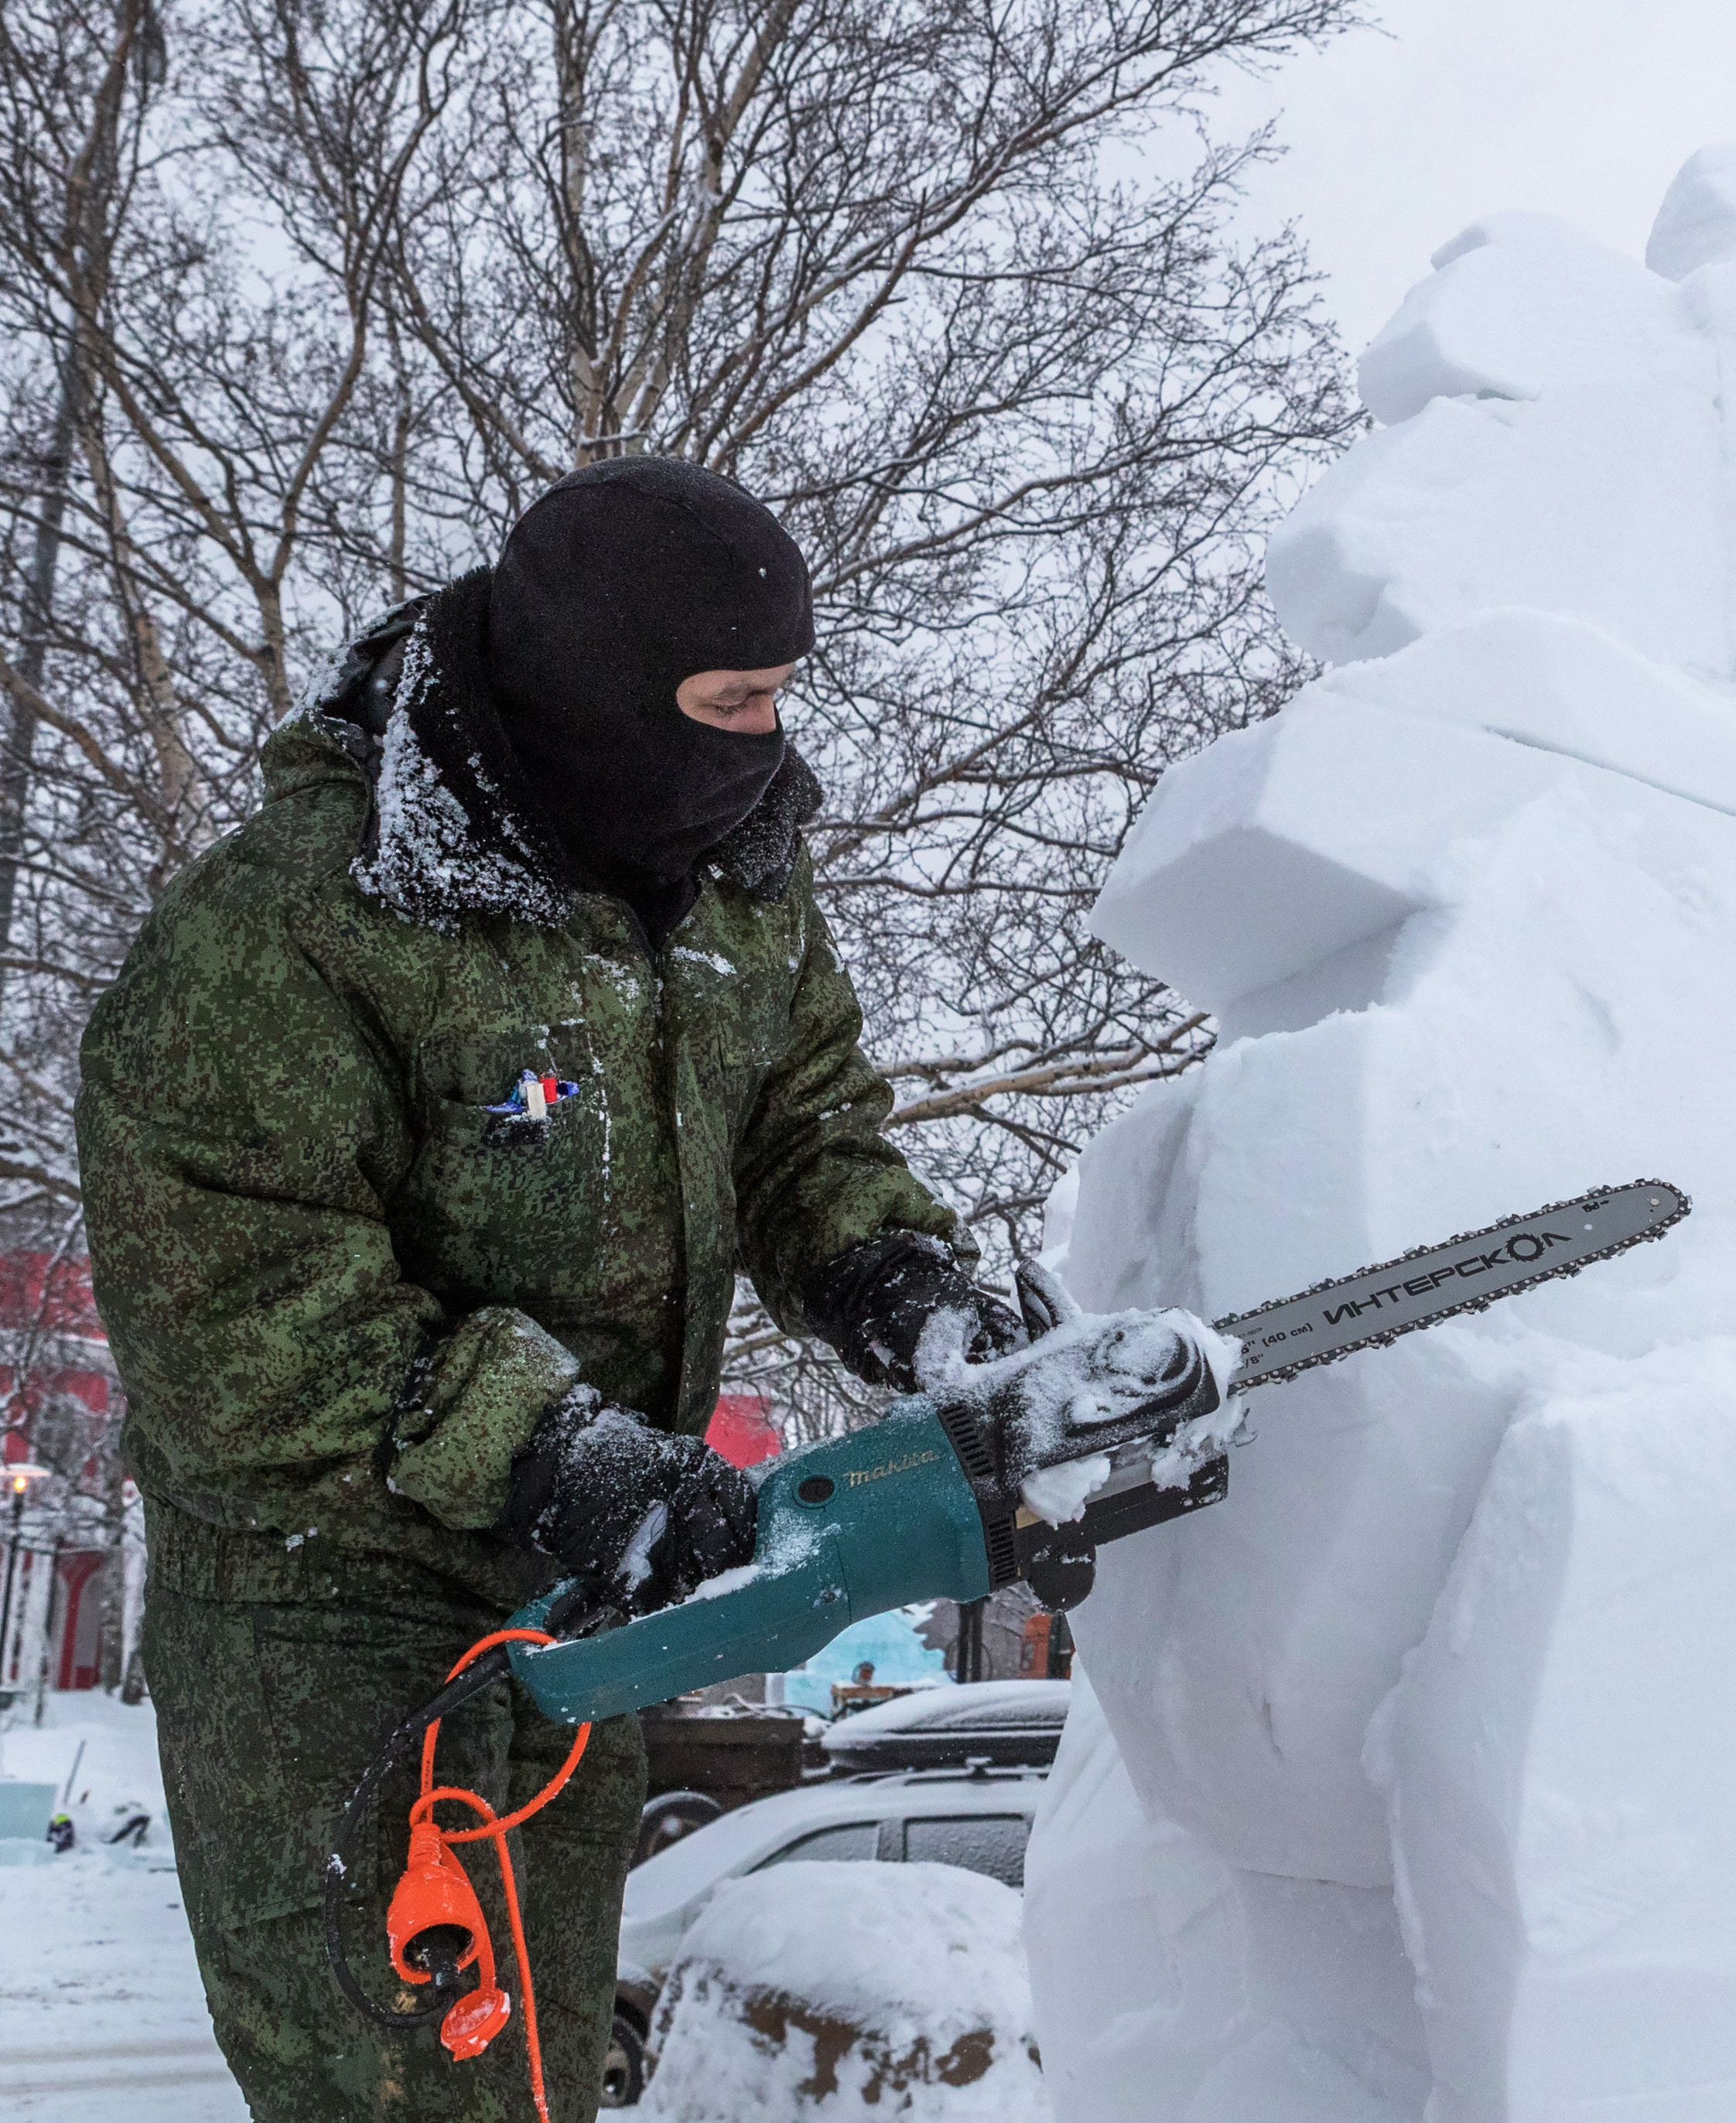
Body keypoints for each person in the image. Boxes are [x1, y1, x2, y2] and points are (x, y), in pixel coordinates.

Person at [77, 460, 1215, 2122]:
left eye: (779, 697)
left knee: (541, 2078)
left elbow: (802, 1128)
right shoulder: (298, 930)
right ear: (597, 695)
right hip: (338, 1627)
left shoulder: (736, 873)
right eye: (727, 699)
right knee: (402, 2094)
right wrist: (566, 1459)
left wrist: (913, 1296)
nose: (762, 741)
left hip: (575, 1610)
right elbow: (245, 1312)